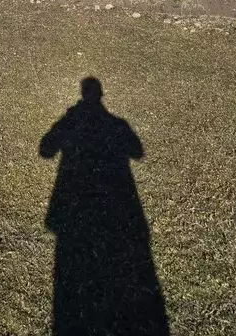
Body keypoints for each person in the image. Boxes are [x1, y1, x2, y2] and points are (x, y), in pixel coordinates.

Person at [39, 77, 169, 335]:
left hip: (72, 209)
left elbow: (46, 149)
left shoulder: (73, 120)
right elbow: (137, 151)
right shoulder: (116, 125)